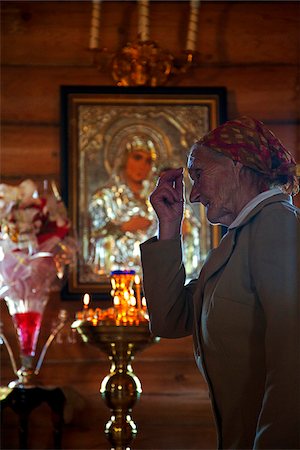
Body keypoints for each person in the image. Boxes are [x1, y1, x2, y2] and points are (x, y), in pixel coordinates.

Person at [140, 116, 300, 449]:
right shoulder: (239, 238)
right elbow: (170, 319)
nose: (194, 195)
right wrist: (168, 227)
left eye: (198, 174)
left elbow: (293, 361)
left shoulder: (277, 227)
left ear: (239, 164)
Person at [89, 134, 158, 275]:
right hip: (117, 279)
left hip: (154, 278)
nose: (142, 166)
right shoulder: (103, 198)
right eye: (137, 157)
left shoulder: (159, 199)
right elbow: (94, 239)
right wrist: (123, 228)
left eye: (148, 161)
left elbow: (187, 231)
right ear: (124, 159)